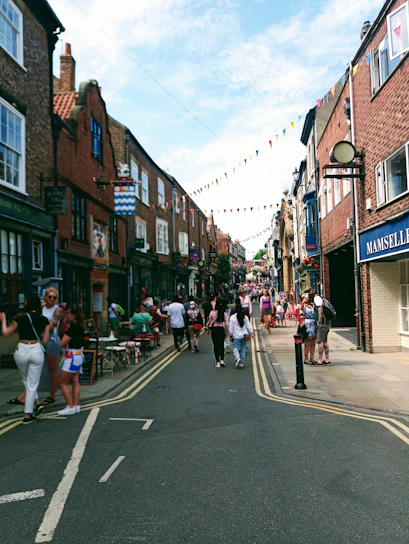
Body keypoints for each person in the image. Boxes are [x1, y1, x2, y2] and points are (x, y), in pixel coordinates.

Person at [0, 294, 51, 424]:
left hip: (21, 350)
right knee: (32, 383)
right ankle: (28, 414)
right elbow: (45, 341)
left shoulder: (20, 317)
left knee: (27, 380)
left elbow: (6, 334)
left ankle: (37, 403)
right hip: (36, 350)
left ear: (27, 304)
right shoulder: (44, 320)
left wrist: (3, 320)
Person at [57, 305, 86, 416]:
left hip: (71, 357)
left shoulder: (73, 328)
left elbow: (62, 343)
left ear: (73, 315)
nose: (67, 315)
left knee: (62, 382)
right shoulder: (80, 326)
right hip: (79, 355)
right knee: (75, 381)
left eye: (68, 313)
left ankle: (70, 406)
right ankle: (76, 405)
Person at [40, 288, 62, 406]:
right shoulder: (41, 308)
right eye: (50, 297)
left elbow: (53, 325)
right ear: (46, 298)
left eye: (54, 297)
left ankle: (52, 394)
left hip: (52, 340)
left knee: (52, 368)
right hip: (41, 339)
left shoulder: (57, 310)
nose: (52, 299)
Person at [206, 299, 228, 368]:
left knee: (215, 346)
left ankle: (217, 362)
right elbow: (226, 324)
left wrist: (207, 330)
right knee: (221, 345)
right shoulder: (223, 313)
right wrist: (226, 333)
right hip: (221, 330)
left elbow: (208, 323)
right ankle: (222, 360)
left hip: (214, 330)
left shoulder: (212, 313)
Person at [313, 291, 331, 365]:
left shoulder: (317, 299)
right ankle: (327, 359)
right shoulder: (322, 299)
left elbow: (320, 310)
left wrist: (319, 321)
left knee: (320, 342)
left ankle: (320, 360)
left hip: (322, 324)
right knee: (325, 342)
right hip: (326, 323)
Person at [301, 293, 317, 365]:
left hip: (314, 323)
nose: (306, 298)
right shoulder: (303, 306)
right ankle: (306, 358)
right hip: (308, 323)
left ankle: (312, 358)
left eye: (306, 297)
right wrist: (303, 302)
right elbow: (301, 310)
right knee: (308, 341)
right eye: (304, 297)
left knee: (313, 341)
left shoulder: (312, 305)